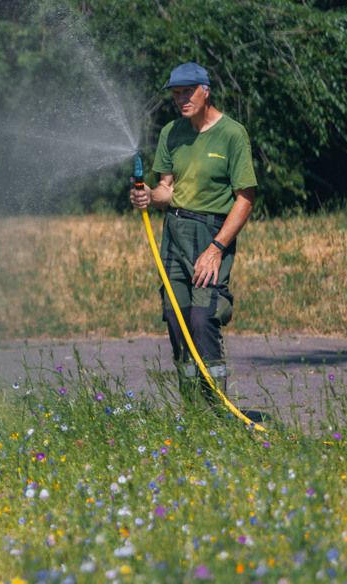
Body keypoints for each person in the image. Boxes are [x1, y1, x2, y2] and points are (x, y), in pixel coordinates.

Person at [130, 62, 257, 409]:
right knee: (176, 316)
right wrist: (148, 197)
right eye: (176, 93)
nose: (181, 99)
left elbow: (245, 198)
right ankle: (194, 411)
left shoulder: (232, 134)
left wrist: (217, 248)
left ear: (206, 90)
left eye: (187, 91)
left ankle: (217, 409)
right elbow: (166, 189)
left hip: (210, 234)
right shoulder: (172, 132)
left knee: (202, 319)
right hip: (175, 233)